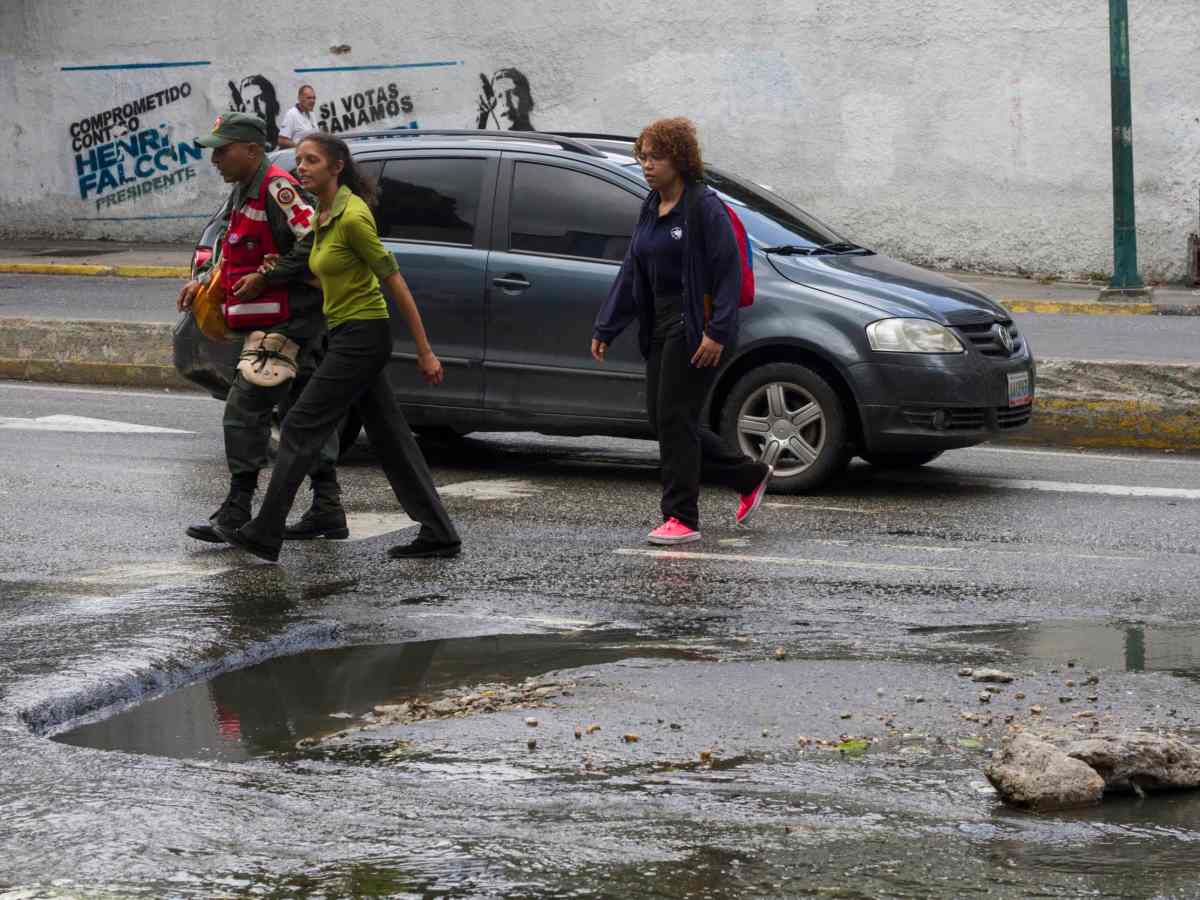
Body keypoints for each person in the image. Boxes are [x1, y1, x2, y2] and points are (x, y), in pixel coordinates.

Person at [216, 132, 461, 563]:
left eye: (312, 161)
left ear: (337, 167)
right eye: (300, 160)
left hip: (364, 335)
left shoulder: (352, 216)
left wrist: (425, 351)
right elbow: (319, 269)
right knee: (392, 438)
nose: (302, 168)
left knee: (300, 425)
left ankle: (265, 530)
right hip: (346, 332)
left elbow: (394, 280)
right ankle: (440, 532)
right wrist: (271, 273)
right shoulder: (323, 215)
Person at [591, 117, 772, 546]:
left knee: (674, 419)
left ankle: (681, 517)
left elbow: (728, 272)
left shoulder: (703, 207)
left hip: (695, 326)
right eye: (643, 157)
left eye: (656, 157)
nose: (647, 165)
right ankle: (748, 474)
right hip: (660, 322)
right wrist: (608, 324)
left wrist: (718, 331)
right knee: (666, 419)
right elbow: (633, 268)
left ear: (680, 159)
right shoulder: (651, 206)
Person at [178, 112, 346, 544]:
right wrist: (202, 282)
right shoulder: (243, 192)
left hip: (290, 322)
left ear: (251, 150)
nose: (215, 158)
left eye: (222, 149)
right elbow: (237, 254)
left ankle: (237, 509)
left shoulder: (277, 187)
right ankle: (327, 507)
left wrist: (271, 278)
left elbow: (315, 238)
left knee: (244, 409)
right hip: (277, 322)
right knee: (300, 414)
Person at [277, 85, 318, 149]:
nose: (312, 101)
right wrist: (301, 147)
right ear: (299, 98)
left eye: (314, 98)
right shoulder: (292, 114)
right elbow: (282, 141)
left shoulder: (311, 113)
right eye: (309, 98)